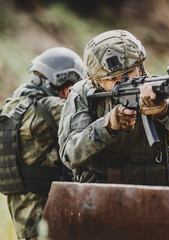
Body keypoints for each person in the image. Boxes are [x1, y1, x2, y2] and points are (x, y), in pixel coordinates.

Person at [58, 29, 169, 186]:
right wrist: (107, 126)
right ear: (98, 81)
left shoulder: (156, 88)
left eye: (129, 72)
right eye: (113, 79)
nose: (123, 81)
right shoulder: (83, 95)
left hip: (156, 195)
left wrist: (167, 111)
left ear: (140, 67)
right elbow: (70, 156)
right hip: (99, 198)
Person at [0, 47, 84, 239]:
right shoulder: (52, 107)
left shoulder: (11, 106)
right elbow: (90, 113)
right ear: (65, 84)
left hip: (19, 204)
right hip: (45, 205)